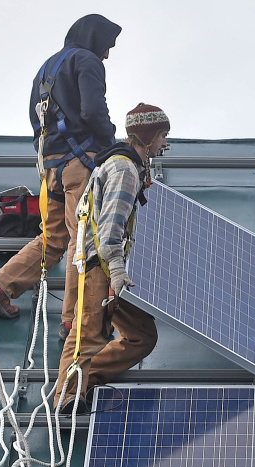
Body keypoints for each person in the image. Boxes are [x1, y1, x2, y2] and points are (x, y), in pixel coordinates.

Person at [0, 14, 121, 341]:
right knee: (81, 239)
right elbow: (93, 111)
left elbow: (35, 119)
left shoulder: (46, 68)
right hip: (80, 164)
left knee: (54, 239)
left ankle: (1, 286)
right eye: (107, 46)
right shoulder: (86, 60)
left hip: (51, 167)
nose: (107, 54)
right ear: (94, 38)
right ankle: (73, 321)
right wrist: (111, 149)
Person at [54, 103, 170, 414]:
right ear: (145, 137)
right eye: (162, 136)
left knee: (142, 336)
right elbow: (110, 229)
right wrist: (117, 271)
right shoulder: (124, 169)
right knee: (87, 334)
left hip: (110, 267)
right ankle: (67, 394)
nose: (166, 144)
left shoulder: (128, 168)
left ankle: (86, 379)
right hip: (101, 267)